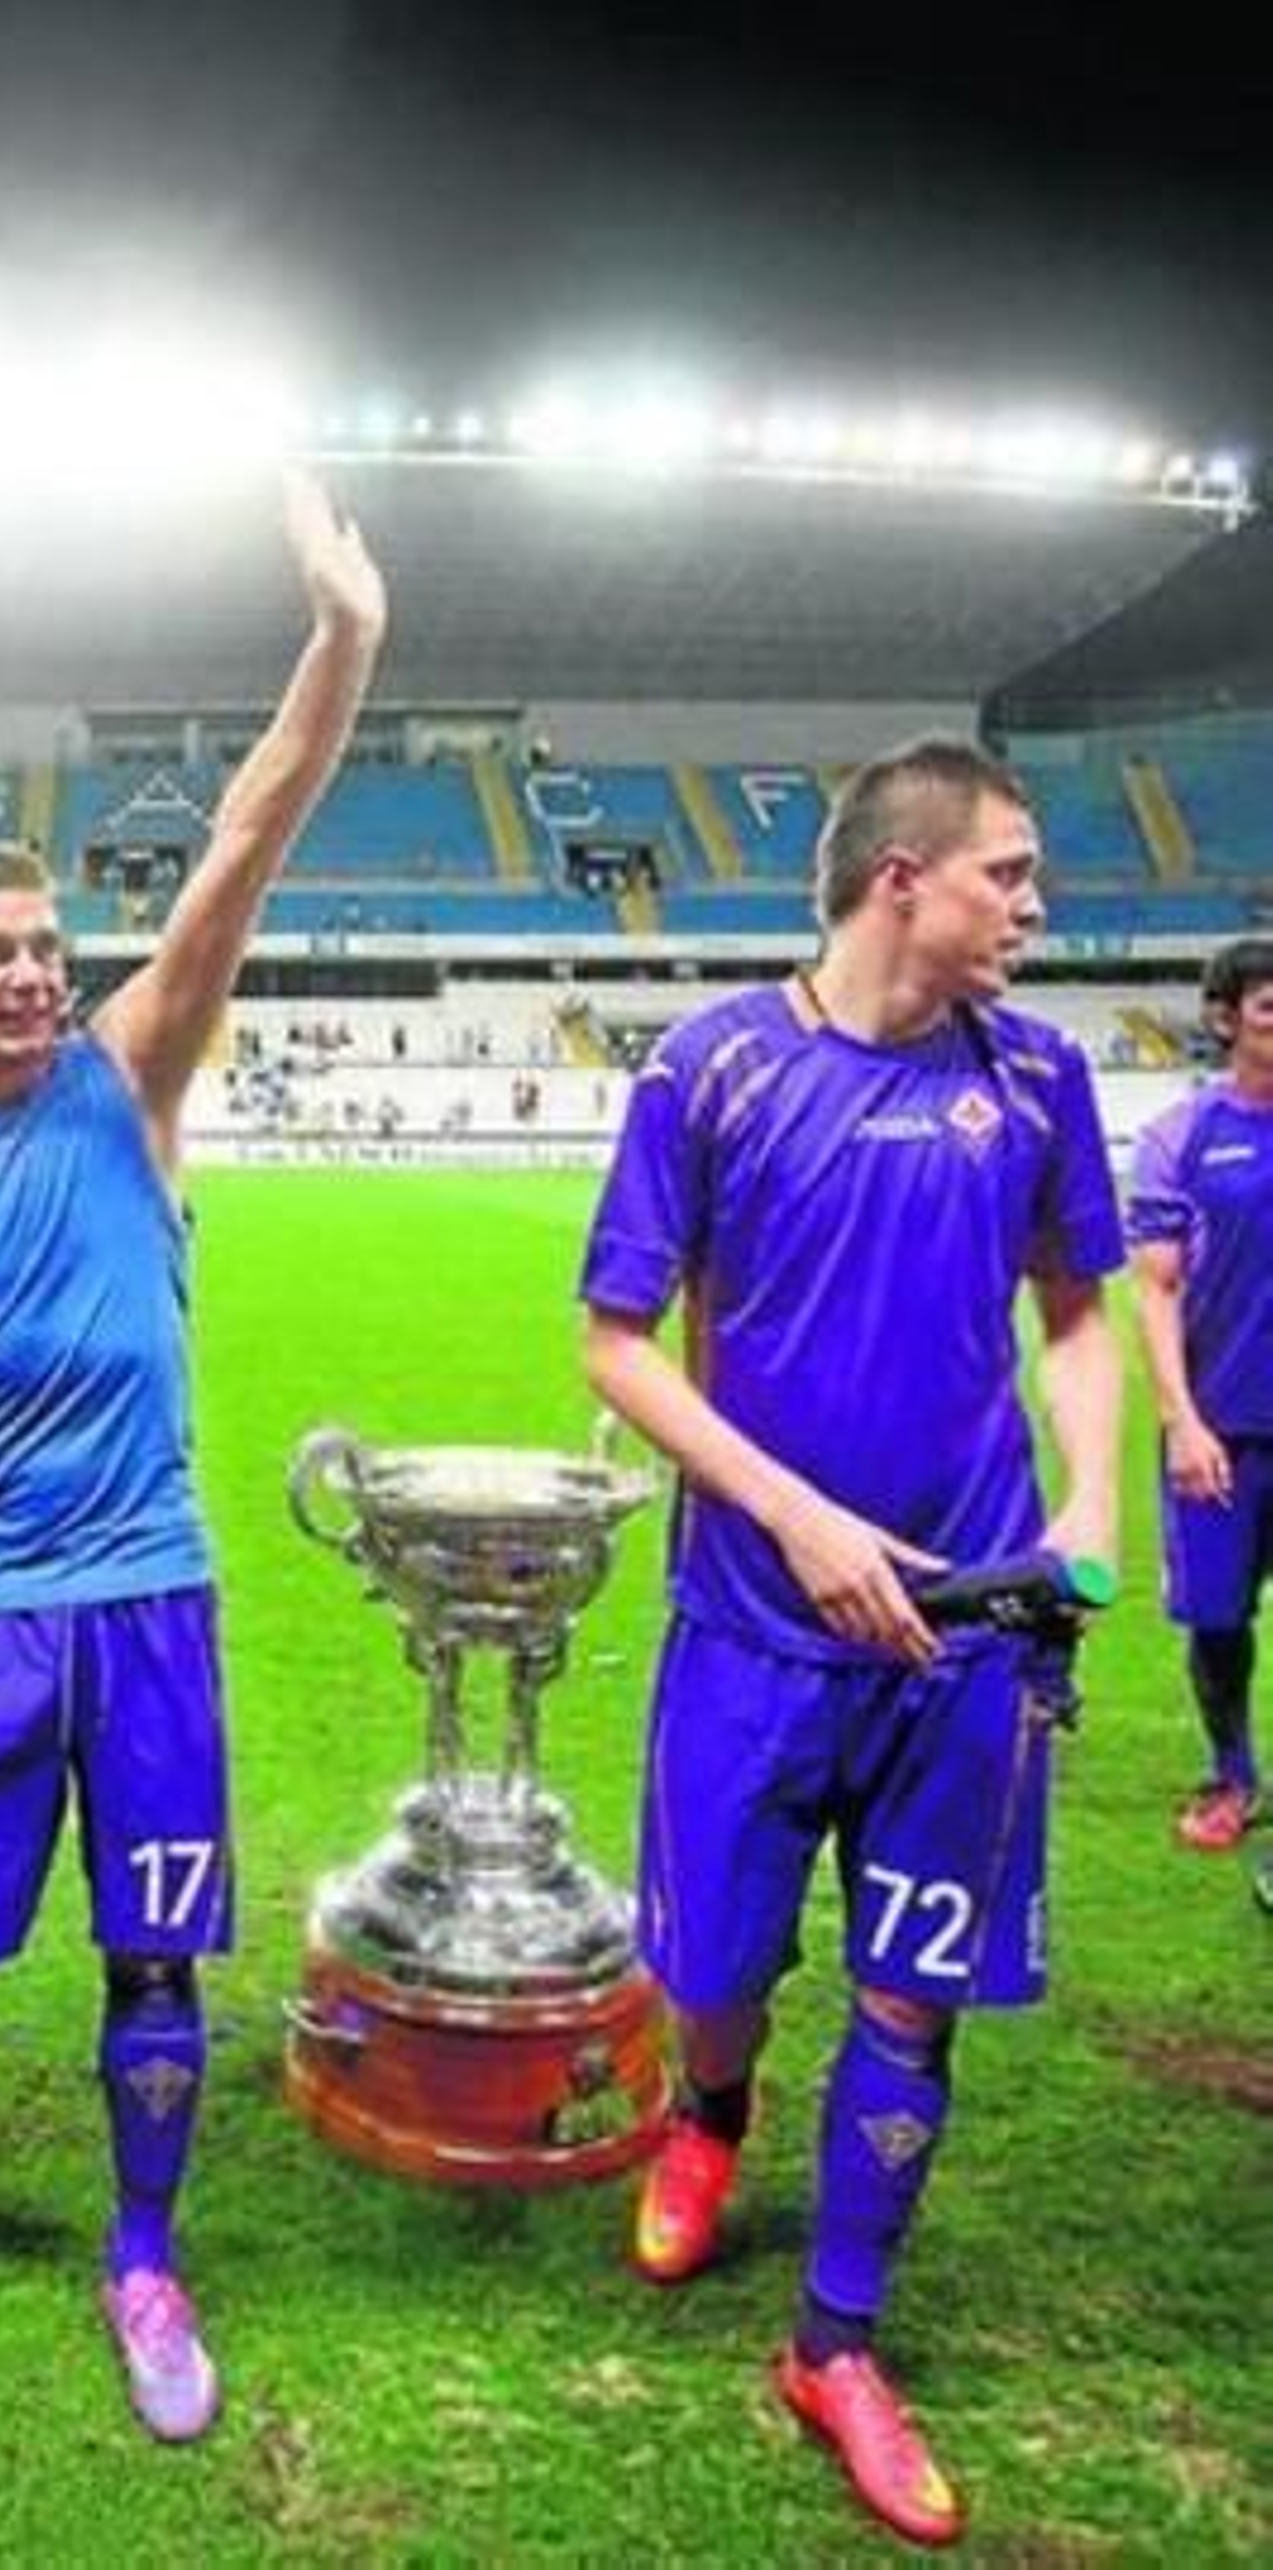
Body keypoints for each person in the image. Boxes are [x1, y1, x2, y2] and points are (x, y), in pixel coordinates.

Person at [0, 469, 386, 2442]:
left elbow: (242, 837)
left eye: (48, 942)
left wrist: (342, 635)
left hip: (146, 1594)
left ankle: (144, 2255)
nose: (35, 971)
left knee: (156, 1957)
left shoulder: (134, 1071)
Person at [580, 738, 1122, 2547]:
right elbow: (618, 1346)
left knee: (917, 1988)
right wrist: (796, 1516)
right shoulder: (713, 1069)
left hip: (963, 1631)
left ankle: (839, 2341)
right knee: (716, 1974)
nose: (1036, 909)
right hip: (750, 1622)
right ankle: (713, 2115)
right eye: (1011, 875)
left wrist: (1094, 1506)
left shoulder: (1039, 1079)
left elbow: (1078, 1317)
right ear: (904, 877)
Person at [1128, 938, 1273, 1853]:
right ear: (1226, 1019)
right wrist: (1183, 1420)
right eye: (1270, 1007)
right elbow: (1157, 1287)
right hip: (1224, 1429)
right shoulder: (1181, 1137)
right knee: (1219, 1622)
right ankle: (1234, 1777)